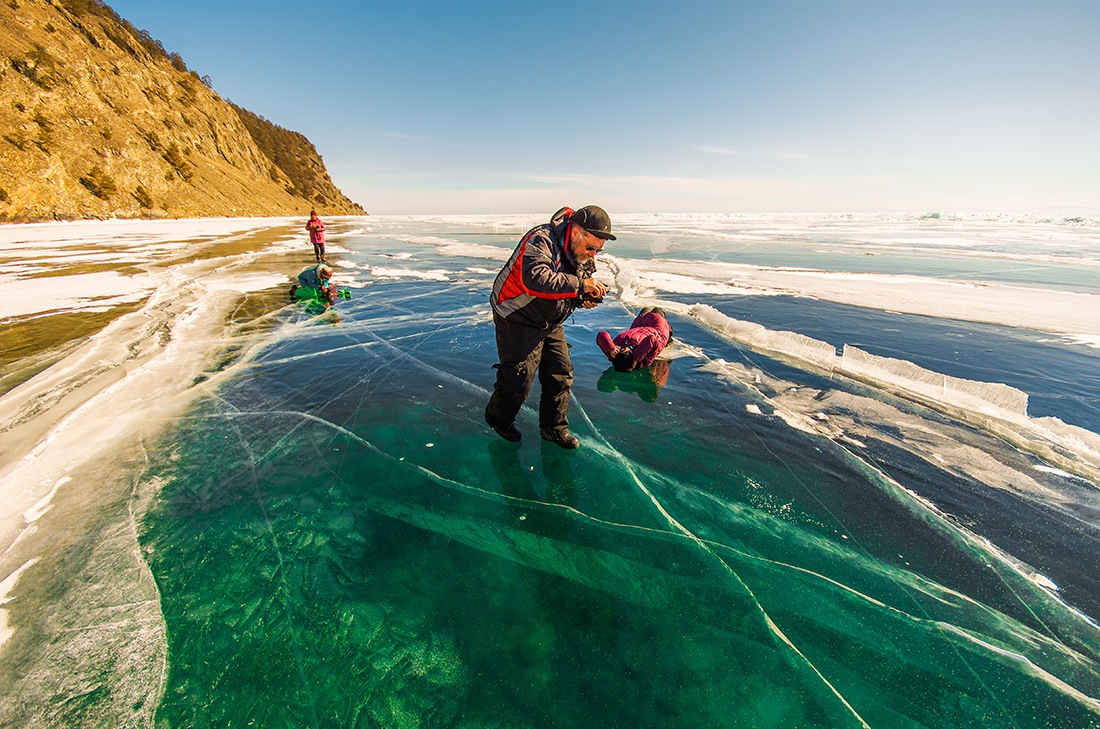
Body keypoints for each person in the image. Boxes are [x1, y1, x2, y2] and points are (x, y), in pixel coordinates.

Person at [484, 205, 614, 449]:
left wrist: (581, 299)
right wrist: (580, 287)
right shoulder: (541, 240)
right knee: (519, 380)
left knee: (560, 373)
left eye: (599, 250)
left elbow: (575, 285)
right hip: (516, 315)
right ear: (576, 233)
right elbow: (536, 279)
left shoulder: (581, 254)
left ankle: (553, 429)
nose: (593, 255)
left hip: (549, 318)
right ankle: (497, 419)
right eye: (591, 247)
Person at [596, 306, 673, 372]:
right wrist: (637, 357)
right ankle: (669, 331)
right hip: (657, 330)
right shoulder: (644, 360)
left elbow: (601, 334)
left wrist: (610, 349)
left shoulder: (617, 355)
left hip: (638, 327)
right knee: (657, 311)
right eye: (626, 351)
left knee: (645, 310)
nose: (625, 347)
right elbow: (652, 339)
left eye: (622, 350)